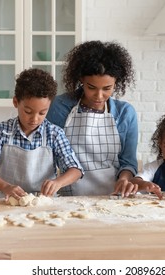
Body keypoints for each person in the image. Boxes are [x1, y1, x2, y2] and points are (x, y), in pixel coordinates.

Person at [0, 68, 83, 200]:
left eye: (42, 113)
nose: (35, 119)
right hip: (6, 202)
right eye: (28, 111)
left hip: (43, 203)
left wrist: (58, 182)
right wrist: (5, 186)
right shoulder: (1, 131)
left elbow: (75, 169)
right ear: (16, 102)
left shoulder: (54, 134)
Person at [46, 40, 138, 196]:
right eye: (91, 87)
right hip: (69, 197)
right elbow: (46, 154)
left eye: (107, 88)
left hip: (112, 196)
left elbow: (128, 162)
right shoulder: (60, 107)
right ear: (81, 80)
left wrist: (124, 179)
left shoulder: (125, 113)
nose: (99, 96)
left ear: (116, 82)